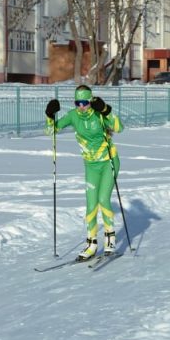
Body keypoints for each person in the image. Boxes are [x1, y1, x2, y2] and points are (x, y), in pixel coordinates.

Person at [45, 85, 123, 261]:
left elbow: (119, 128)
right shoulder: (73, 115)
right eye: (77, 102)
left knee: (103, 200)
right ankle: (92, 244)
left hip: (108, 162)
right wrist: (49, 116)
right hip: (90, 165)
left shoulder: (98, 113)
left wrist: (106, 110)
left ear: (91, 101)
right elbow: (51, 131)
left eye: (85, 103)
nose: (81, 106)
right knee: (90, 205)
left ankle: (110, 239)